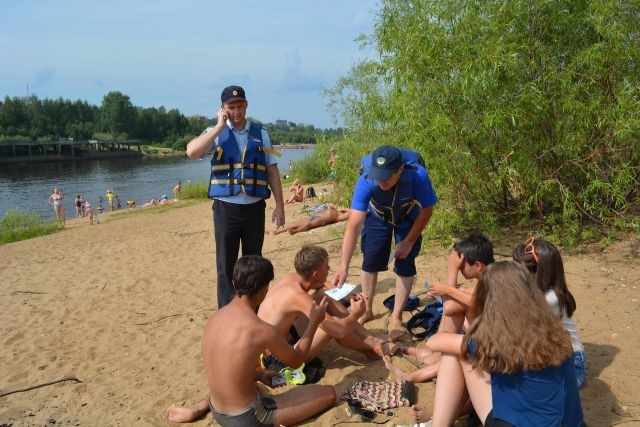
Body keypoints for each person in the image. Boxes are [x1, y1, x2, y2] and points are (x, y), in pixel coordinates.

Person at [164, 255, 336, 425]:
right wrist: (314, 322)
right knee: (328, 393)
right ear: (264, 291)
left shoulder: (215, 317)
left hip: (217, 409)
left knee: (246, 383)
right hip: (248, 417)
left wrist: (259, 375)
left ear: (234, 282)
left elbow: (230, 364)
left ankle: (199, 408)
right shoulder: (262, 329)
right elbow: (297, 361)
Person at [411, 261, 584, 426]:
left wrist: (455, 306)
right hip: (569, 423)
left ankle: (438, 424)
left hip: (513, 424)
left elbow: (435, 342)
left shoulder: (494, 342)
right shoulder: (558, 334)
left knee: (458, 354)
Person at [185, 85, 285, 308]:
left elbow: (272, 171)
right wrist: (219, 126)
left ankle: (253, 309)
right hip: (226, 209)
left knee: (254, 263)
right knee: (225, 264)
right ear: (223, 108)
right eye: (231, 107)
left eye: (239, 106)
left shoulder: (261, 134)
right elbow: (192, 152)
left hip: (254, 207)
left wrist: (280, 206)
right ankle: (227, 312)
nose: (236, 111)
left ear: (246, 105)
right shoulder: (215, 133)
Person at [332, 145, 438, 334]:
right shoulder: (366, 180)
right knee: (371, 260)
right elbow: (354, 225)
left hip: (407, 214)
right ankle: (367, 309)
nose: (381, 181)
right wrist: (344, 266)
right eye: (377, 175)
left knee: (405, 262)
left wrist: (408, 242)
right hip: (378, 214)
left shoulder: (418, 175)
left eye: (387, 176)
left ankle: (396, 316)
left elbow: (427, 211)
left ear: (400, 170)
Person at [384, 231, 494, 384]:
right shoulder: (494, 275)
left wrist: (451, 275)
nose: (460, 268)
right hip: (491, 336)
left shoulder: (495, 280)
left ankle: (416, 374)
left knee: (454, 310)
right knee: (458, 296)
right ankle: (434, 355)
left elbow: (450, 307)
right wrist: (446, 292)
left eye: (462, 265)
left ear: (477, 265)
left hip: (494, 346)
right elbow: (473, 297)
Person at [257, 245, 395, 361]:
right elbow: (339, 332)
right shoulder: (297, 296)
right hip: (279, 358)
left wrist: (345, 294)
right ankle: (371, 349)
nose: (329, 269)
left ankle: (368, 337)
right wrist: (355, 314)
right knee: (330, 328)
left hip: (283, 338)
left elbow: (322, 285)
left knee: (324, 295)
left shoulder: (294, 278)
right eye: (327, 267)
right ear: (315, 274)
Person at [512, 237, 586, 388]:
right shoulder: (534, 290)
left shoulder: (550, 299)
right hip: (549, 356)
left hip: (571, 364)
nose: (513, 271)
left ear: (537, 272)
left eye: (518, 266)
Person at [268, 204, 350, 235]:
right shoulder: (334, 209)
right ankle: (277, 231)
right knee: (295, 223)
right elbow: (330, 204)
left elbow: (350, 213)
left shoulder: (338, 217)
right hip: (314, 216)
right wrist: (339, 208)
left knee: (309, 225)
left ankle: (295, 231)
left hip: (322, 220)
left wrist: (344, 209)